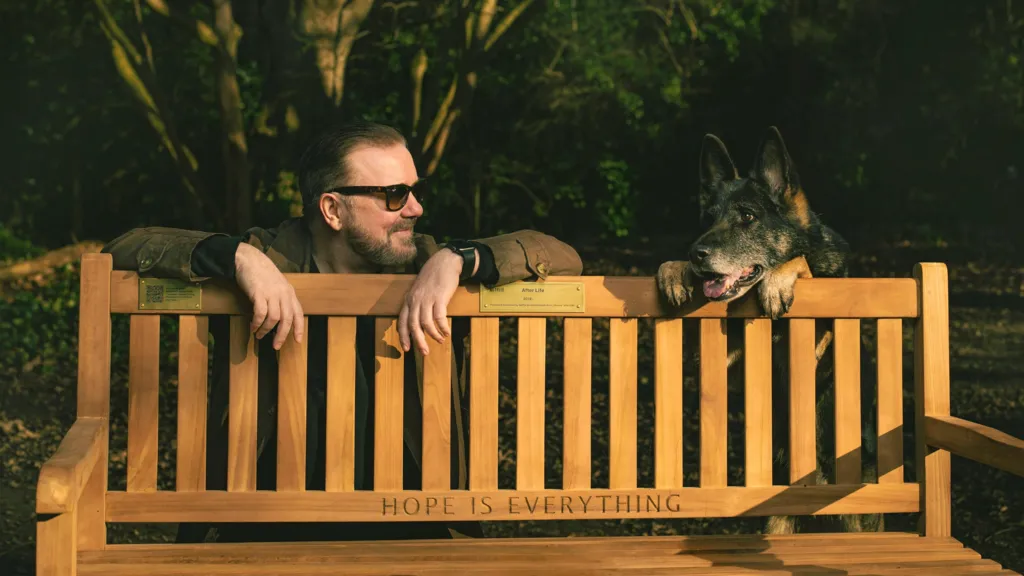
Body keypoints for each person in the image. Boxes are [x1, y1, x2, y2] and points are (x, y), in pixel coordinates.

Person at [102, 120, 583, 542]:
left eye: (416, 191)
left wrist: (459, 257)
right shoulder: (266, 257)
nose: (415, 209)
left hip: (412, 524)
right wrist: (237, 257)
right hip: (263, 523)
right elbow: (126, 246)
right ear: (332, 209)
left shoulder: (429, 262)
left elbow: (560, 254)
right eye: (395, 194)